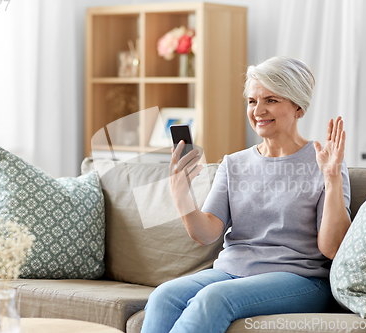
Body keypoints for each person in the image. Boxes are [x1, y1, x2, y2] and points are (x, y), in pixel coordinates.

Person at [141, 56, 351, 333]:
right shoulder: (234, 163)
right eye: (252, 101)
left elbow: (333, 248)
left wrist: (332, 179)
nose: (258, 110)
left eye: (271, 100)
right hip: (231, 271)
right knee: (163, 296)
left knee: (213, 298)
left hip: (299, 278)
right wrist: (181, 195)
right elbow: (206, 234)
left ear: (298, 107)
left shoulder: (325, 163)